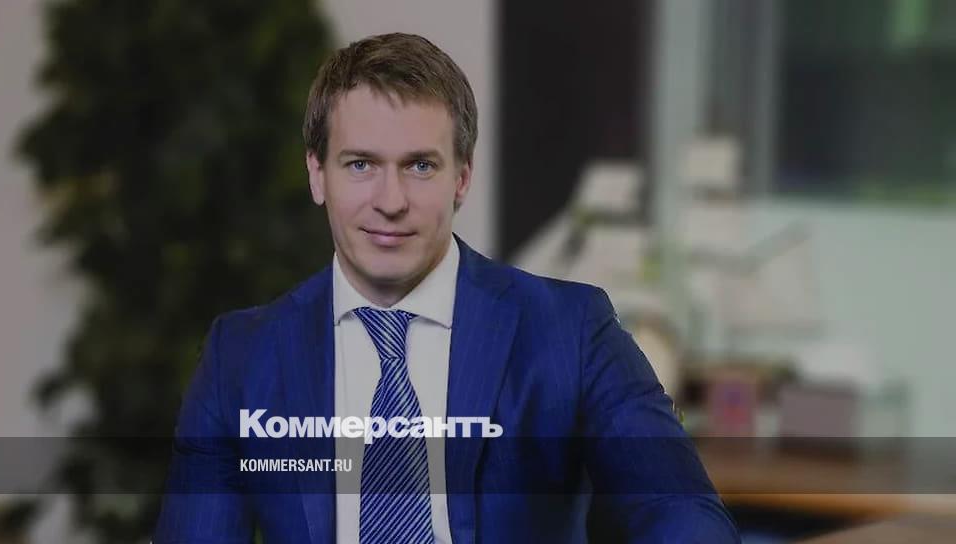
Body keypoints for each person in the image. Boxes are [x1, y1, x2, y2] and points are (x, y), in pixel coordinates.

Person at [153, 32, 739, 543]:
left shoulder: (571, 331)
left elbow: (679, 509)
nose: (390, 201)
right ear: (316, 174)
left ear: (462, 177)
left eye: (420, 166)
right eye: (360, 164)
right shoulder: (241, 358)